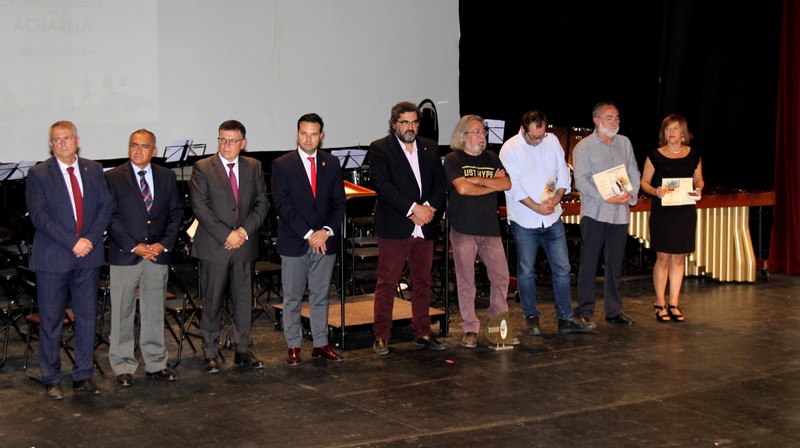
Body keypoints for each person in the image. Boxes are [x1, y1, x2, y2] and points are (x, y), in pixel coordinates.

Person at [26, 120, 112, 399]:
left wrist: (89, 239)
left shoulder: (94, 169)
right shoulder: (39, 174)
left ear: (77, 140)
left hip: (88, 257)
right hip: (53, 258)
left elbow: (105, 207)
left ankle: (83, 375)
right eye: (57, 140)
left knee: (87, 318)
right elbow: (40, 217)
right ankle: (51, 378)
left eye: (67, 138)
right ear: (51, 145)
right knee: (51, 321)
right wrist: (73, 242)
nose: (63, 143)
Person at [499, 111, 598, 335]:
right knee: (526, 271)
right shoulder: (510, 148)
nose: (539, 140)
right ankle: (531, 317)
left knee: (562, 268)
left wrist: (556, 198)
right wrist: (537, 207)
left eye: (542, 135)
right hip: (525, 220)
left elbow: (563, 174)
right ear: (523, 130)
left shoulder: (551, 141)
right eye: (534, 137)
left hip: (552, 217)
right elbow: (513, 187)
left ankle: (565, 318)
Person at [104, 129, 184, 386]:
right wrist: (133, 246)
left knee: (154, 311)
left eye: (144, 146)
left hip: (156, 256)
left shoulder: (167, 176)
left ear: (154, 150)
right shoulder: (113, 177)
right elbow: (110, 216)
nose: (138, 151)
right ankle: (123, 366)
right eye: (134, 146)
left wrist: (162, 244)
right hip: (125, 255)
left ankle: (155, 363)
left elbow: (175, 213)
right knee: (122, 313)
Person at [190, 120, 269, 373]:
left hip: (244, 245)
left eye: (232, 140)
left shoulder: (254, 166)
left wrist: (243, 232)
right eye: (222, 140)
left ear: (243, 144)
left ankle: (243, 349)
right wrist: (228, 234)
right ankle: (210, 352)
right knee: (212, 301)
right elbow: (200, 207)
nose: (226, 145)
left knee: (245, 300)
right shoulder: (202, 167)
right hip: (215, 245)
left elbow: (262, 204)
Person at [369, 101, 447, 355]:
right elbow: (383, 186)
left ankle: (422, 332)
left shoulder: (430, 147)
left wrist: (429, 210)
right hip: (396, 226)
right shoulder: (381, 148)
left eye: (414, 122)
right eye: (405, 122)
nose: (410, 127)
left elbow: (439, 185)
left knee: (423, 281)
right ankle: (381, 335)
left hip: (425, 226)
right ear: (394, 124)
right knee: (387, 283)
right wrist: (414, 208)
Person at [271, 113, 347, 365]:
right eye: (304, 133)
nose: (308, 138)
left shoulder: (332, 163)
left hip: (325, 241)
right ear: (297, 134)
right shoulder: (282, 164)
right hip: (295, 241)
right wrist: (308, 234)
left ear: (321, 136)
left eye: (313, 134)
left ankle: (320, 343)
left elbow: (339, 203)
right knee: (292, 297)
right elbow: (282, 204)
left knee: (321, 295)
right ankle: (293, 345)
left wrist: (325, 231)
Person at [444, 115, 519, 348]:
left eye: (483, 132)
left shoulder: (492, 158)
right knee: (466, 282)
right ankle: (470, 329)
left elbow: (506, 184)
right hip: (463, 228)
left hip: (490, 228)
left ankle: (498, 328)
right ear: (462, 135)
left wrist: (476, 181)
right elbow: (462, 189)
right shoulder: (453, 159)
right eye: (476, 132)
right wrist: (488, 183)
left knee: (501, 278)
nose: (482, 137)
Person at [572, 101, 641, 325]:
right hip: (595, 213)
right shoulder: (583, 147)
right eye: (609, 118)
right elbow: (581, 181)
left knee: (615, 263)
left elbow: (633, 171)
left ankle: (614, 311)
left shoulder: (625, 143)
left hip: (619, 213)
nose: (614, 122)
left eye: (617, 118)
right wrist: (606, 197)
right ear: (596, 121)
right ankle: (585, 310)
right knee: (589, 263)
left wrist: (631, 193)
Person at [640, 114, 703, 322]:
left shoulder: (693, 155)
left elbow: (699, 180)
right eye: (667, 129)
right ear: (663, 133)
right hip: (664, 212)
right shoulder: (654, 155)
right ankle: (660, 303)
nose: (671, 133)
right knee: (663, 258)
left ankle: (674, 303)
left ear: (683, 133)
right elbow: (644, 183)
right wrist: (654, 191)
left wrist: (699, 189)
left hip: (684, 212)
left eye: (675, 129)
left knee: (678, 257)